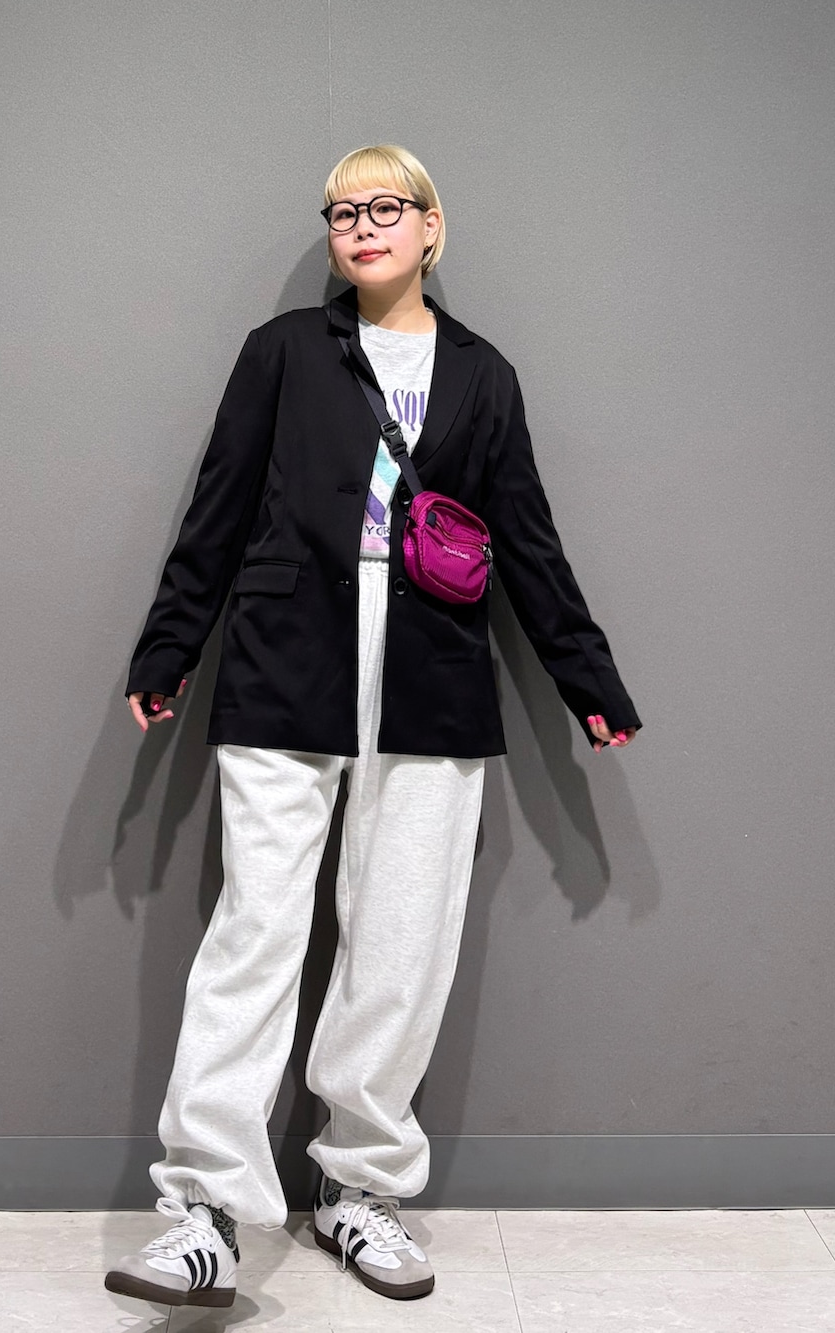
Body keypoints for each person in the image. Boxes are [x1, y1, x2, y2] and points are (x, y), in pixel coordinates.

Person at [105, 144, 641, 1312]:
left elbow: (525, 537)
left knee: (400, 946)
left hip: (431, 678)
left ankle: (358, 1187)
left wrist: (585, 677)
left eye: (385, 206)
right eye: (342, 210)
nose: (361, 225)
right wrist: (169, 644)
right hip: (284, 662)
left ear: (430, 226)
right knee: (254, 934)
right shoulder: (284, 352)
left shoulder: (483, 376)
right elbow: (219, 503)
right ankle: (202, 1210)